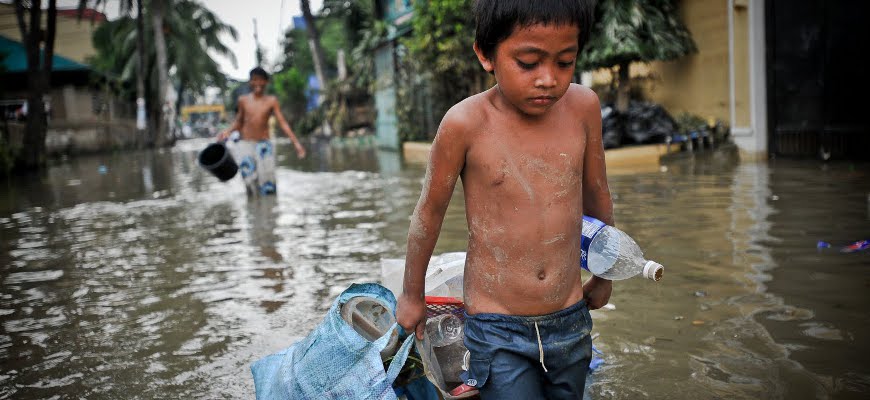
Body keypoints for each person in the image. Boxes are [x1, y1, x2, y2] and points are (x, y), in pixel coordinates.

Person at [395, 1, 611, 398]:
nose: (548, 79)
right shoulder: (465, 124)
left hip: (570, 316)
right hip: (498, 325)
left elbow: (597, 195)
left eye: (565, 62)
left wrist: (604, 272)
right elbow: (428, 214)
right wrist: (412, 295)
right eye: (528, 63)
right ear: (485, 54)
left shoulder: (583, 108)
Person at [218, 67, 306, 195]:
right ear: (250, 82)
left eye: (261, 80)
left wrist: (296, 143)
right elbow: (239, 122)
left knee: (268, 182)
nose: (257, 83)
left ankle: (269, 211)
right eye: (254, 80)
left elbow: (283, 123)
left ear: (266, 82)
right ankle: (254, 210)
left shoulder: (271, 101)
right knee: (249, 181)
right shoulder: (243, 100)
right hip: (246, 144)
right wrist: (227, 131)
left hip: (264, 145)